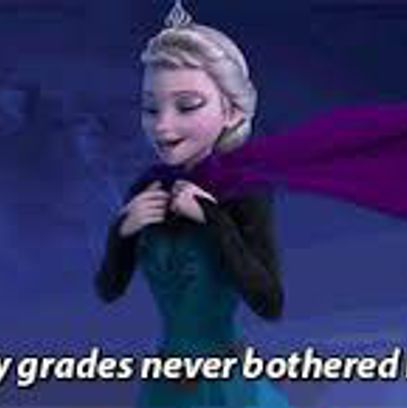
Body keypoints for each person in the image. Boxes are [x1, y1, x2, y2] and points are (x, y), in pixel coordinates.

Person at [95, 1, 289, 406]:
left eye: (186, 106)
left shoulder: (244, 190)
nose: (162, 125)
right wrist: (122, 231)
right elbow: (109, 290)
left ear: (231, 111)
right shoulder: (146, 188)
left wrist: (213, 220)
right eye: (151, 108)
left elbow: (269, 303)